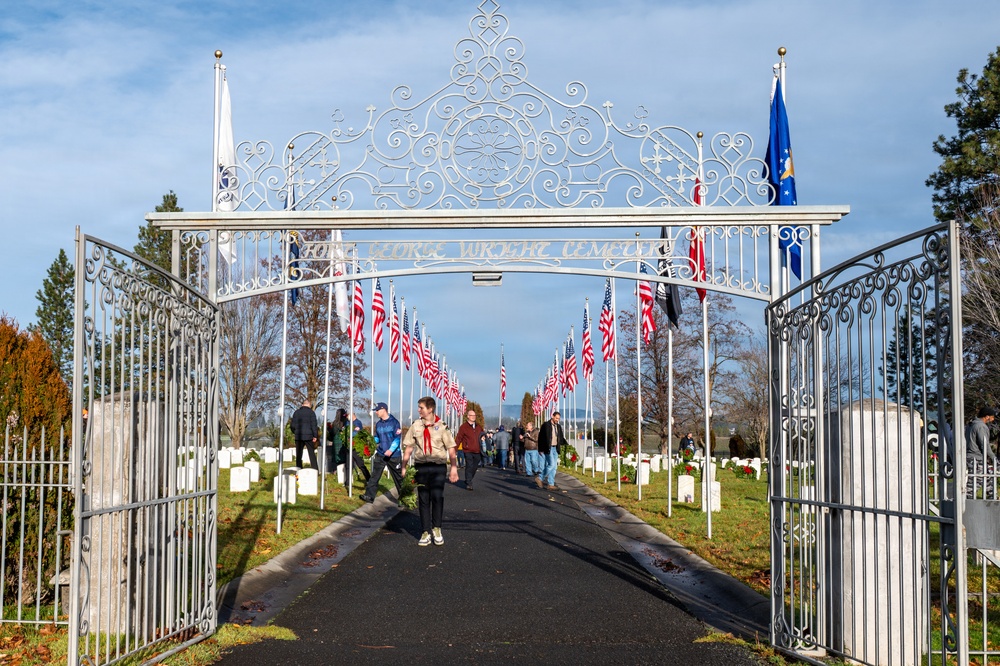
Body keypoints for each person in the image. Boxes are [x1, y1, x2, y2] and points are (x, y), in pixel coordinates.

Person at [401, 396, 458, 546]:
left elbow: (451, 448)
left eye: (421, 407)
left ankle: (437, 528)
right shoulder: (416, 425)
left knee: (437, 496)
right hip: (421, 466)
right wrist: (404, 466)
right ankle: (425, 531)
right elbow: (409, 447)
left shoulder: (442, 426)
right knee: (424, 498)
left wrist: (453, 468)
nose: (419, 410)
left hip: (438, 466)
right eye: (419, 407)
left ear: (430, 409)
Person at [360, 402, 405, 503]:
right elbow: (377, 438)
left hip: (394, 455)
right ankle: (369, 496)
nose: (376, 412)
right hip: (381, 453)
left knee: (398, 478)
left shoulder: (395, 423)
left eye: (377, 410)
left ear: (383, 409)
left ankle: (404, 498)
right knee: (375, 475)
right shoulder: (378, 424)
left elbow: (397, 438)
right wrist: (370, 442)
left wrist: (391, 450)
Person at [966, 406, 997, 498]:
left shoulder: (971, 425)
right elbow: (984, 444)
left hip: (970, 455)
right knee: (976, 480)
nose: (993, 419)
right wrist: (993, 457)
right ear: (987, 416)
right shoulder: (981, 426)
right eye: (992, 417)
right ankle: (967, 499)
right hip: (976, 457)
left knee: (988, 478)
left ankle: (993, 497)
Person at [537, 411, 567, 491]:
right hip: (548, 448)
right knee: (551, 464)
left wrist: (566, 444)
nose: (557, 420)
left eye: (558, 419)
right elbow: (541, 437)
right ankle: (540, 478)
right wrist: (540, 449)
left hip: (555, 448)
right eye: (556, 418)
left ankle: (551, 484)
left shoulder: (558, 427)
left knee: (554, 467)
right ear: (552, 416)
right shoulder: (546, 425)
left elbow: (561, 437)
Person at [455, 408, 484, 490]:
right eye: (471, 415)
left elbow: (482, 434)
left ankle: (469, 478)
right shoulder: (463, 427)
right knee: (469, 465)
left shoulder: (478, 426)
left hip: (477, 450)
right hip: (468, 450)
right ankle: (469, 483)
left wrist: (483, 437)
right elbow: (459, 438)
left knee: (475, 466)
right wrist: (455, 449)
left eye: (474, 415)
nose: (473, 417)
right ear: (468, 416)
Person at [290, 399, 319, 469]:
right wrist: (315, 436)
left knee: (299, 454)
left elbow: (292, 425)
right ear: (309, 405)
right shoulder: (311, 413)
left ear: (302, 405)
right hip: (309, 436)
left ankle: (299, 468)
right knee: (311, 454)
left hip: (299, 436)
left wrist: (295, 432)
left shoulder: (296, 413)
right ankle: (315, 469)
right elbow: (314, 425)